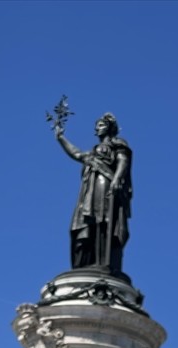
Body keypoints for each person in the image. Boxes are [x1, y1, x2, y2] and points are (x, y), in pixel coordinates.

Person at [54, 112, 133, 273]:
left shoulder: (118, 143)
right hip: (90, 188)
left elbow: (123, 161)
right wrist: (61, 138)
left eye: (101, 125)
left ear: (110, 128)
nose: (96, 129)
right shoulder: (92, 152)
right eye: (96, 127)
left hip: (105, 184)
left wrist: (117, 179)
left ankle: (104, 261)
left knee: (103, 220)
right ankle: (87, 262)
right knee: (85, 223)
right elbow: (77, 154)